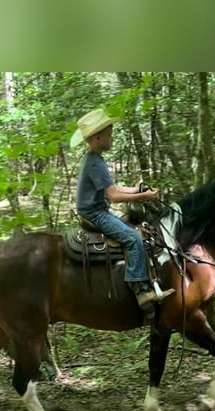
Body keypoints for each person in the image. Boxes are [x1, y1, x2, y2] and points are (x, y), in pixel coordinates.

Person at [70, 108, 174, 310]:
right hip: (95, 214)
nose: (112, 138)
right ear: (98, 137)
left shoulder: (94, 159)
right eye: (109, 135)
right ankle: (140, 289)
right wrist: (144, 196)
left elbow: (114, 187)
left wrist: (138, 188)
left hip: (97, 210)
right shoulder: (95, 163)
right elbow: (114, 196)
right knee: (133, 238)